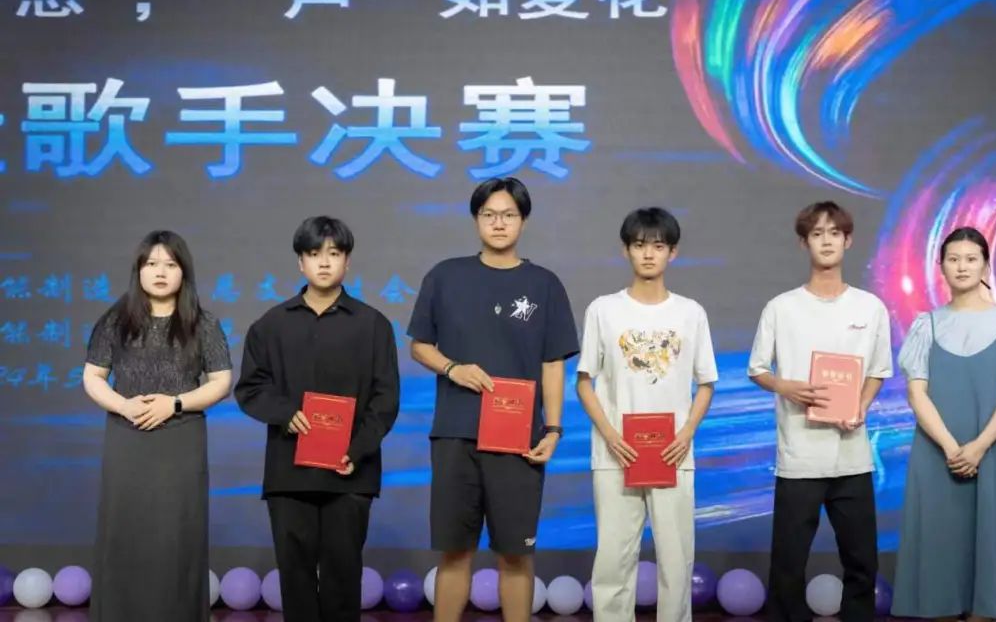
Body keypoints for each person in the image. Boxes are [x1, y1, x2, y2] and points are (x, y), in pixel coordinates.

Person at [407, 178, 579, 622]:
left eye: (508, 215)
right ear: (476, 220)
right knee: (454, 552)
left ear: (523, 221)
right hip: (456, 433)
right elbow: (419, 345)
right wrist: (453, 369)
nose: (498, 223)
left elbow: (552, 363)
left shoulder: (544, 284)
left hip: (518, 440)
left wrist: (553, 428)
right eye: (489, 215)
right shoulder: (445, 276)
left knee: (516, 555)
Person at [235, 216, 400, 622]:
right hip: (289, 474)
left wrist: (356, 450)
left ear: (347, 261)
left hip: (351, 472)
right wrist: (285, 414)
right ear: (300, 262)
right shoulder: (270, 325)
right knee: (295, 579)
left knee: (344, 578)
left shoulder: (373, 325)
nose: (324, 263)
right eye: (313, 254)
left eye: (334, 253)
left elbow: (386, 399)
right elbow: (250, 389)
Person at [747, 201, 892, 622]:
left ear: (848, 241)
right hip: (799, 457)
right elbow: (757, 368)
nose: (826, 241)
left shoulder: (870, 307)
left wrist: (860, 406)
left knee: (862, 561)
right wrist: (785, 386)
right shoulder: (781, 307)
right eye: (816, 234)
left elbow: (878, 371)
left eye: (834, 233)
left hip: (852, 455)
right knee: (788, 563)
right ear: (803, 243)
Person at [892, 227, 996, 622]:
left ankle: (984, 611)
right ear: (940, 266)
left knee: (992, 535)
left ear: (986, 266)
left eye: (971, 259)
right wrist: (950, 447)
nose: (962, 266)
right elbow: (916, 394)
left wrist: (978, 446)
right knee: (938, 537)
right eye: (953, 259)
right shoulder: (926, 325)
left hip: (993, 448)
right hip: (935, 449)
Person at [577, 207, 718, 622]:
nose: (649, 254)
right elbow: (584, 381)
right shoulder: (603, 309)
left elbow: (706, 383)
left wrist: (686, 433)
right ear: (626, 250)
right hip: (615, 454)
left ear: (673, 252)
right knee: (612, 561)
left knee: (677, 561)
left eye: (658, 246)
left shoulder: (691, 313)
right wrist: (610, 435)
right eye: (639, 245)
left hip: (673, 453)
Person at [83, 230, 232, 621]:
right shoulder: (115, 321)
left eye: (170, 264)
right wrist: (123, 405)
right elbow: (92, 376)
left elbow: (221, 381)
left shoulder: (203, 323)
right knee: (124, 530)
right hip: (127, 436)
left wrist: (175, 403)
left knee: (177, 535)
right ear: (139, 270)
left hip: (181, 439)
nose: (160, 272)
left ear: (184, 272)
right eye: (151, 264)